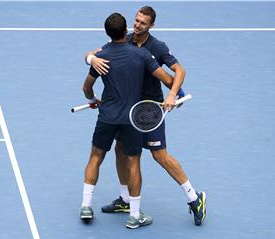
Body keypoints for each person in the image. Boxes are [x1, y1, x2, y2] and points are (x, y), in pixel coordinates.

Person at [85, 6, 206, 226]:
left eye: (143, 22)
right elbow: (92, 53)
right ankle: (125, 199)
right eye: (136, 20)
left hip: (149, 109)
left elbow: (179, 72)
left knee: (159, 155)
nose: (137, 25)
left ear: (152, 25)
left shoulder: (157, 47)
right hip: (126, 110)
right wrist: (91, 60)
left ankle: (194, 198)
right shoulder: (126, 39)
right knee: (121, 150)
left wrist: (171, 95)